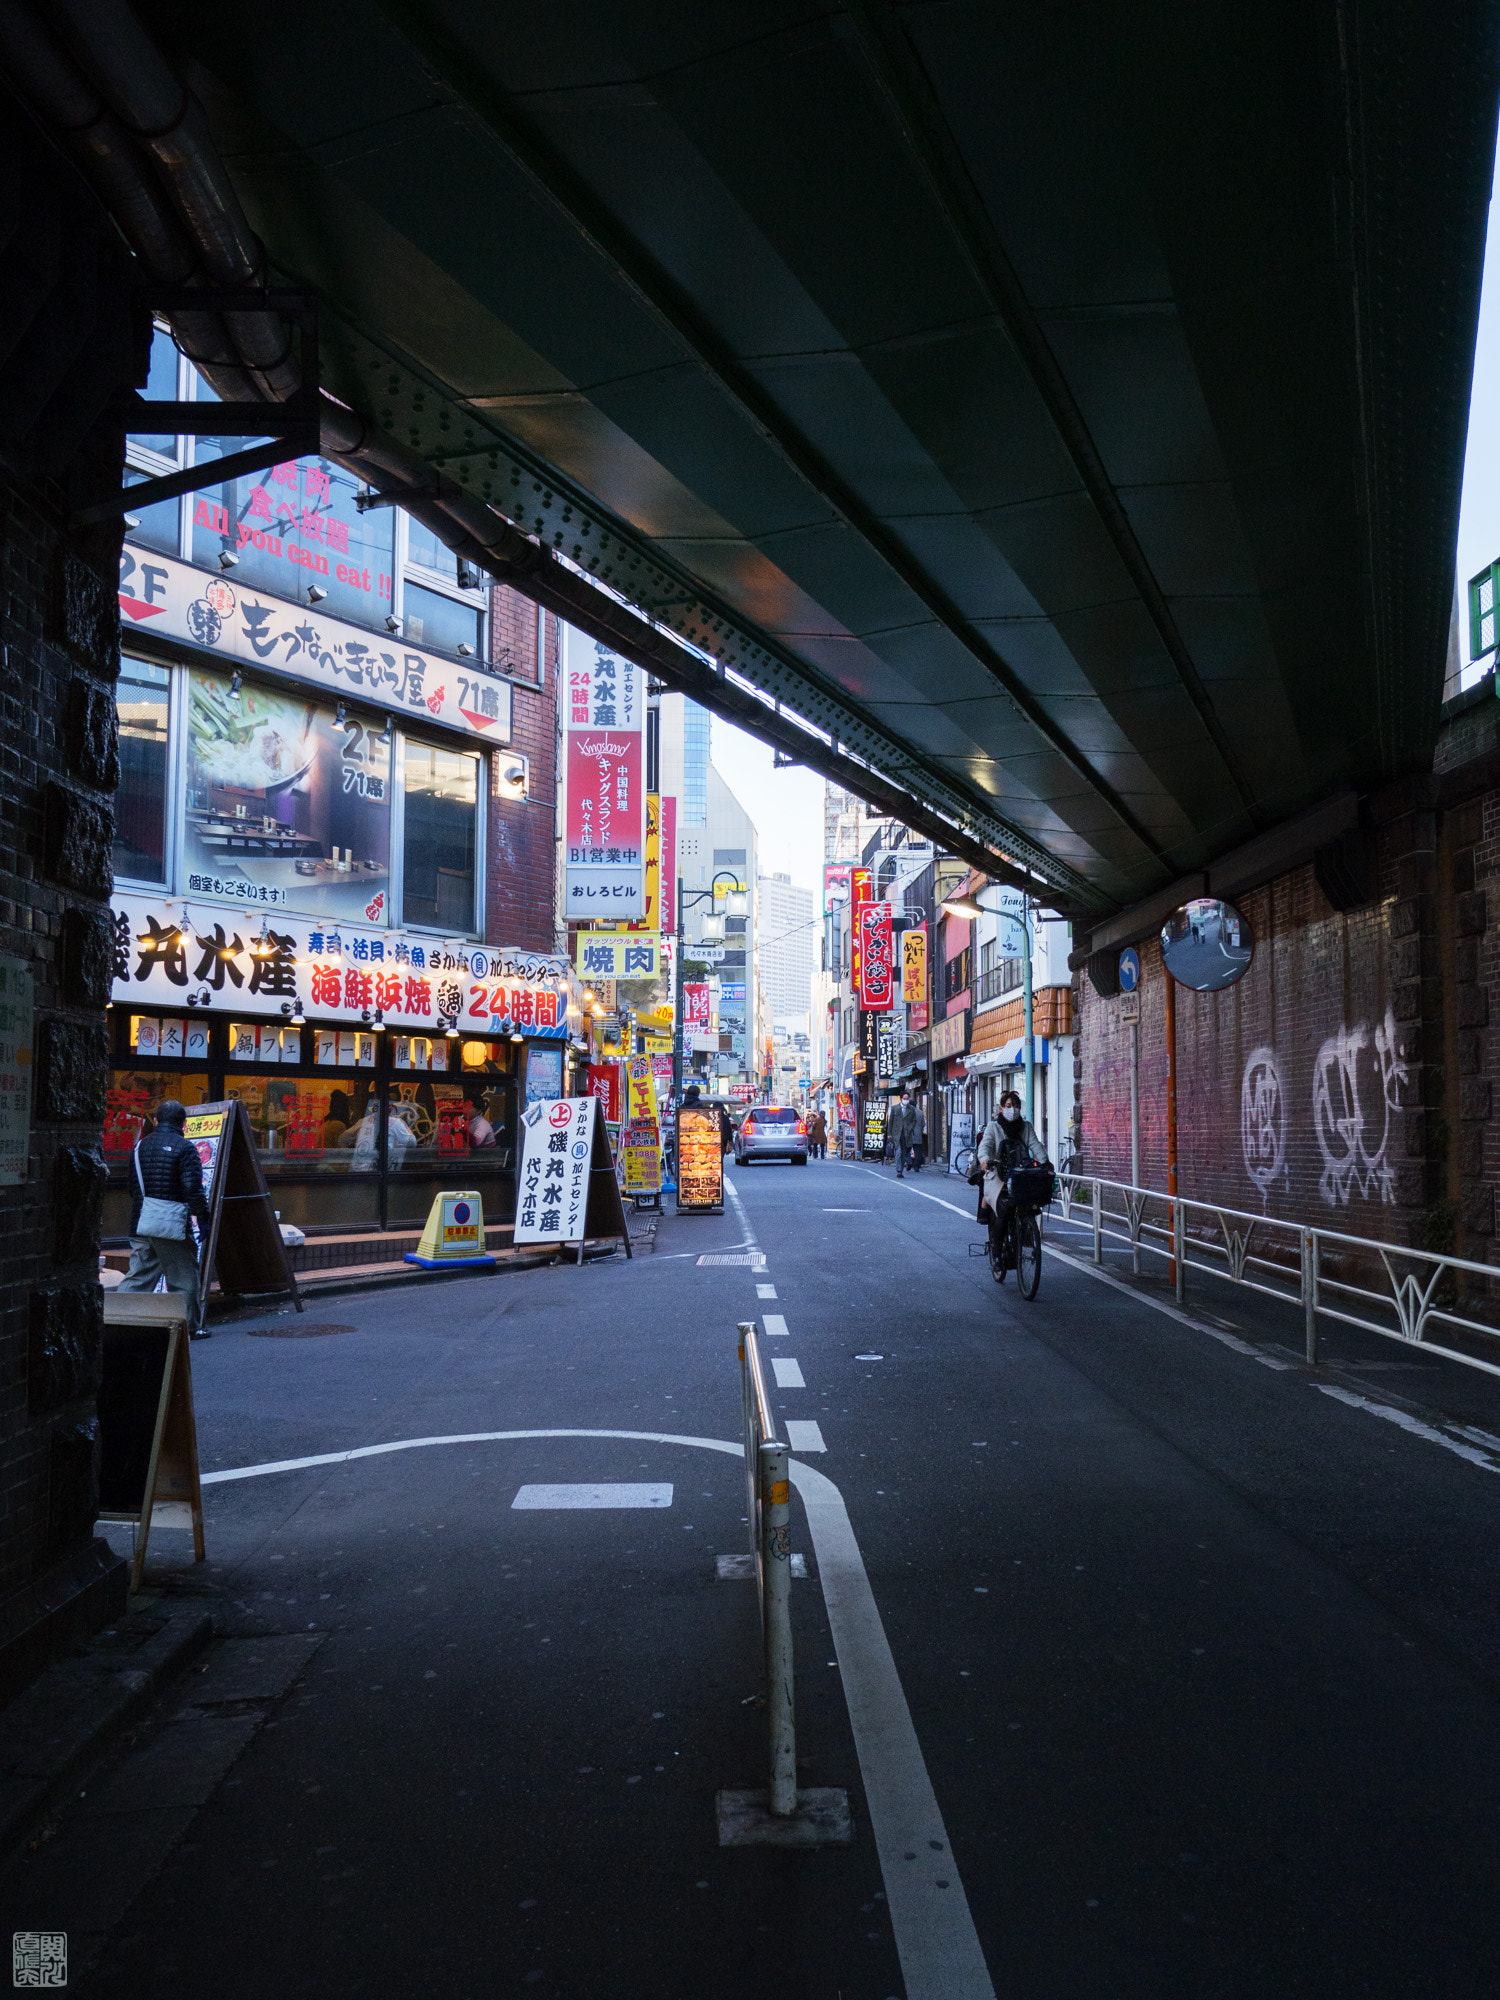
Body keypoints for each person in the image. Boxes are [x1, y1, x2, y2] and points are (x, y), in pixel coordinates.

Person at [118, 1100, 211, 1339]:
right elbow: (193, 1189)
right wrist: (203, 1219)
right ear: (183, 1123)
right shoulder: (185, 1148)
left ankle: (115, 1318)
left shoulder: (139, 1147)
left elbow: (132, 1187)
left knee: (138, 1276)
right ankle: (188, 1327)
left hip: (141, 1221)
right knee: (183, 1277)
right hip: (171, 1225)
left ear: (156, 1121)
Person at [975, 1089, 1050, 1266]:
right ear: (1001, 1109)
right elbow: (985, 1146)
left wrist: (1045, 1162)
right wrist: (985, 1160)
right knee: (1004, 1208)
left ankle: (1025, 1233)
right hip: (997, 1172)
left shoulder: (1026, 1126)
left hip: (1020, 1172)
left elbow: (1035, 1145)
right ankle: (997, 1250)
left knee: (1030, 1203)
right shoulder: (993, 1127)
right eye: (1009, 1106)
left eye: (1016, 1106)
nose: (1013, 1109)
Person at [888, 1090, 912, 1176]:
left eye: (907, 1098)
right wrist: (889, 1133)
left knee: (904, 1153)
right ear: (901, 1099)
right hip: (896, 1134)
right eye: (904, 1098)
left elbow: (913, 1121)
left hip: (906, 1134)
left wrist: (910, 1128)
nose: (906, 1100)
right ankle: (898, 1170)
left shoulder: (911, 1109)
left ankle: (901, 1169)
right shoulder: (895, 1108)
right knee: (899, 1152)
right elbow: (890, 1122)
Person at [905, 1092, 927, 1173]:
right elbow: (923, 1124)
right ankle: (916, 1166)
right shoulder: (920, 1112)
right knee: (918, 1151)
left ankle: (909, 1162)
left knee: (906, 1149)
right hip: (917, 1134)